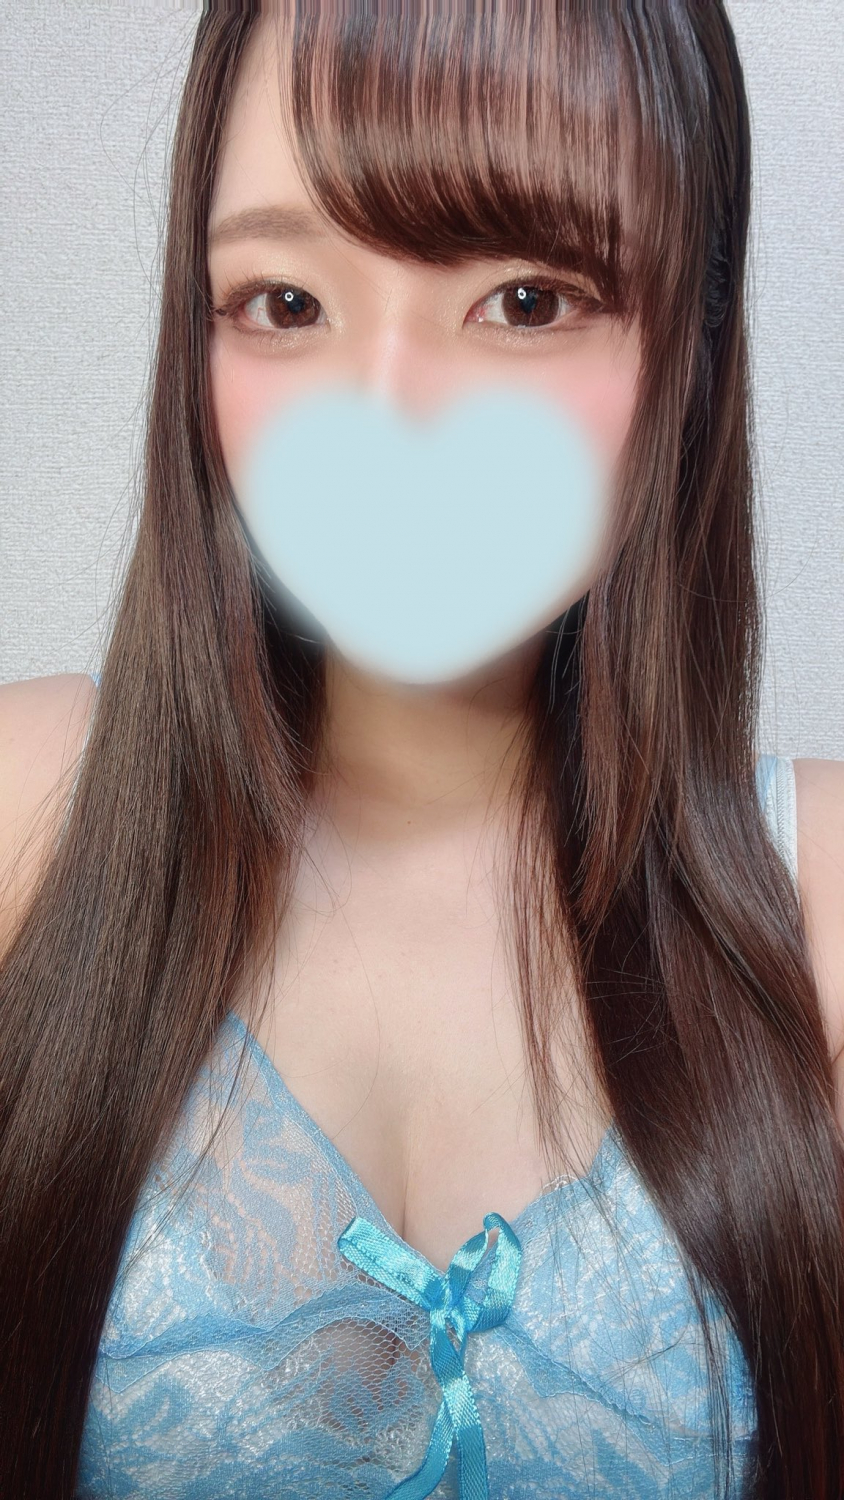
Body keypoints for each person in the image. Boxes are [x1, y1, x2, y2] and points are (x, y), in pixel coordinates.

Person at [1, 5, 842, 1498]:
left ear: (693, 345)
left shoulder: (822, 904)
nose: (384, 417)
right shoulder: (27, 809)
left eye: (525, 300)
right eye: (283, 302)